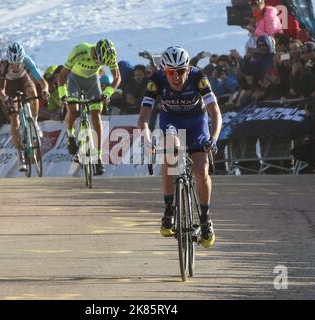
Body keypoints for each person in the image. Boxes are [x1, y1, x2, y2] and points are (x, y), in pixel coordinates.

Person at [138, 46, 222, 248]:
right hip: (171, 121)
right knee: (170, 153)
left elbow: (215, 112)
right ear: (164, 71)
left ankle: (205, 218)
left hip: (196, 122)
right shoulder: (156, 79)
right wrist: (147, 141)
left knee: (201, 171)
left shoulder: (198, 77)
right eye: (170, 73)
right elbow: (143, 118)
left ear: (188, 69)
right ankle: (169, 210)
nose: (176, 77)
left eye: (181, 72)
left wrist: (213, 138)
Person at [57, 39, 121, 175]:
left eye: (102, 63)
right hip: (74, 80)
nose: (99, 63)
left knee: (96, 115)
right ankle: (70, 136)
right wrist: (62, 94)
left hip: (92, 81)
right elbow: (62, 75)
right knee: (73, 111)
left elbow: (117, 78)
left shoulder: (109, 57)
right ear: (95, 51)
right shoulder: (80, 50)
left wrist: (107, 93)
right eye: (98, 60)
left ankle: (98, 157)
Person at [0, 42, 49, 172]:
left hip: (23, 80)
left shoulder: (27, 61)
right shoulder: (4, 66)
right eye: (13, 63)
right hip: (10, 86)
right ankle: (20, 155)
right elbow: (1, 91)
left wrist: (45, 91)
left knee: (33, 94)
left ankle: (35, 123)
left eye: (18, 63)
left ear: (22, 59)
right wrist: (6, 99)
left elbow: (42, 82)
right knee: (14, 121)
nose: (15, 66)